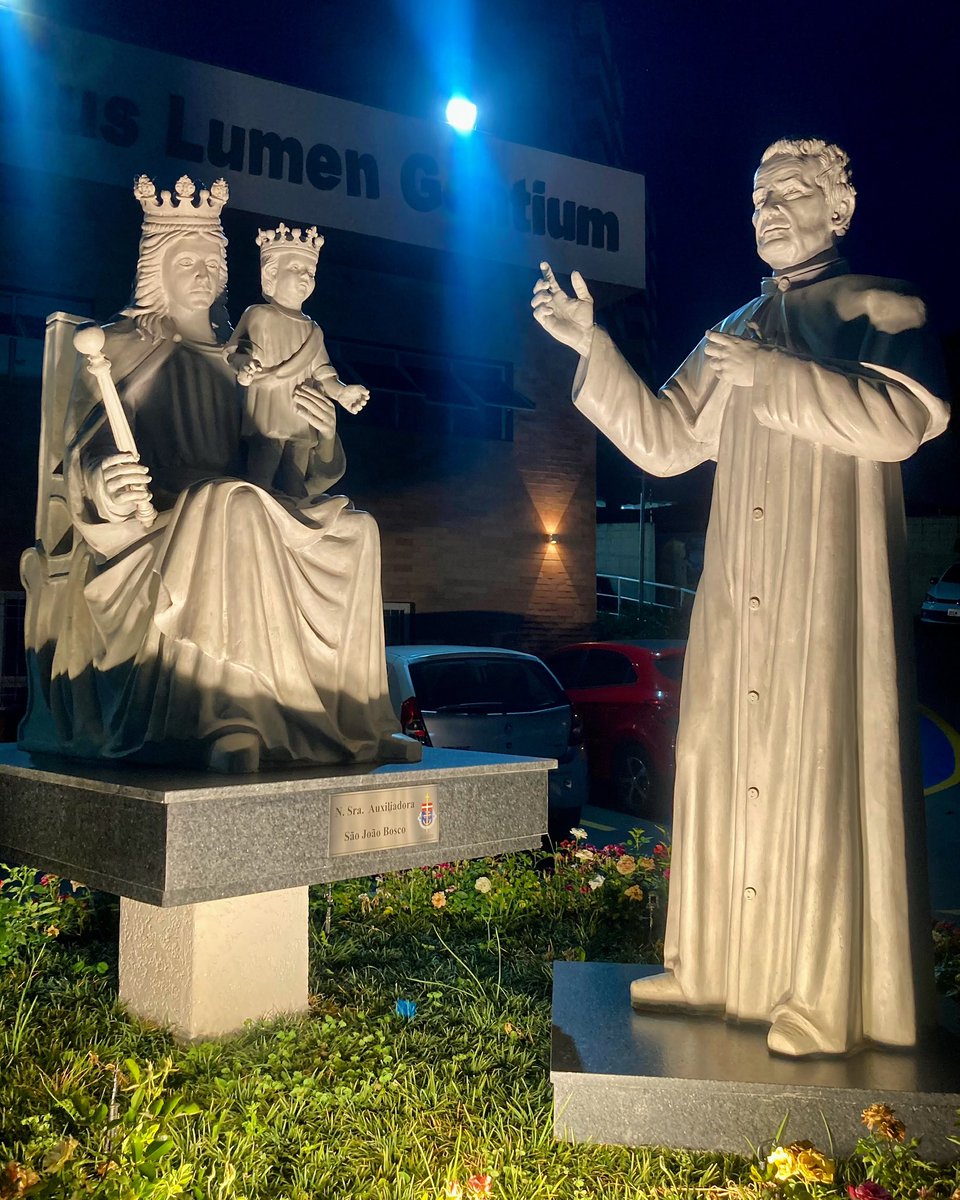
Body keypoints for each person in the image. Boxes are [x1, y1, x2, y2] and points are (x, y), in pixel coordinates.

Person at [532, 138, 949, 1056]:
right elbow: (664, 440)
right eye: (758, 197)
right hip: (738, 588)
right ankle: (711, 966)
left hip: (823, 581)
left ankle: (823, 995)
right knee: (715, 755)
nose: (767, 211)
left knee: (816, 759)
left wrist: (777, 376)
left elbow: (901, 423)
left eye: (789, 194)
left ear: (838, 209)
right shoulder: (737, 325)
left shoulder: (879, 305)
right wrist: (592, 343)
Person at [20, 174, 417, 772]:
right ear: (157, 269)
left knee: (356, 531)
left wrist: (320, 431)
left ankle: (357, 719)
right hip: (158, 525)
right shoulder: (122, 345)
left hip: (247, 502)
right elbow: (85, 451)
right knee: (234, 504)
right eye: (187, 261)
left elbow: (289, 467)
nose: (203, 273)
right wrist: (107, 484)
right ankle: (231, 719)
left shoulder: (241, 357)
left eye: (212, 261)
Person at [224, 223, 369, 492]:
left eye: (310, 272)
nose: (305, 276)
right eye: (296, 268)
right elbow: (238, 352)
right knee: (262, 473)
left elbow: (323, 373)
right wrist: (244, 367)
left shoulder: (313, 330)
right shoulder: (259, 315)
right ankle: (256, 509)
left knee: (295, 481)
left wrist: (341, 393)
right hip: (269, 410)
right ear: (271, 274)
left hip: (302, 412)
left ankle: (294, 510)